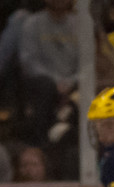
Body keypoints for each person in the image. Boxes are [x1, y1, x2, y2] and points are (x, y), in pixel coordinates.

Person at [17, 0, 77, 147]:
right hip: (43, 85)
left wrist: (71, 81)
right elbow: (28, 62)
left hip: (74, 84)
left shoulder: (80, 25)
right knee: (45, 86)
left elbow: (88, 63)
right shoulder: (32, 24)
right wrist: (56, 81)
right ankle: (41, 145)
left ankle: (81, 144)